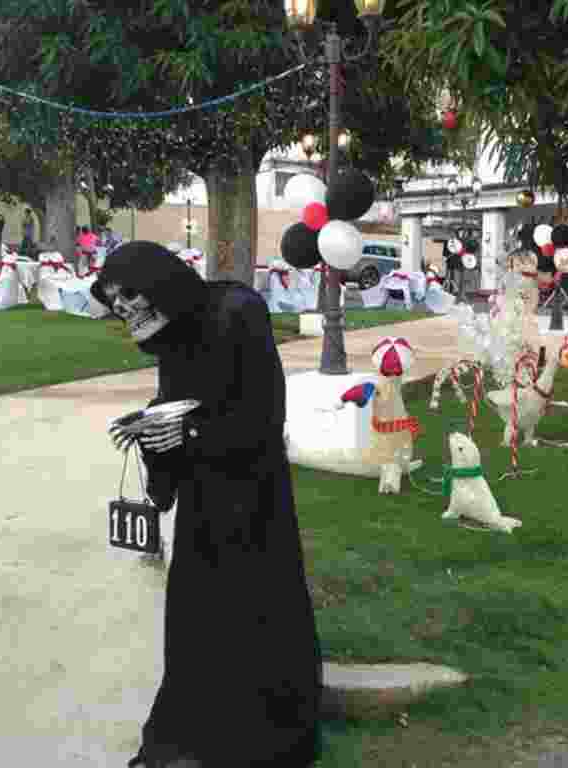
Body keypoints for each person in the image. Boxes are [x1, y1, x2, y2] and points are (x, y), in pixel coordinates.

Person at [91, 242, 322, 768]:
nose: (124, 309)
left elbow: (264, 416)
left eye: (129, 296)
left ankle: (266, 738)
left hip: (254, 497)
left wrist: (187, 432)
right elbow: (175, 398)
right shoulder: (170, 333)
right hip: (203, 502)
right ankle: (191, 734)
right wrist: (150, 430)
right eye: (116, 302)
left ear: (158, 282)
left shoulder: (238, 311)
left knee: (258, 613)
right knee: (199, 622)